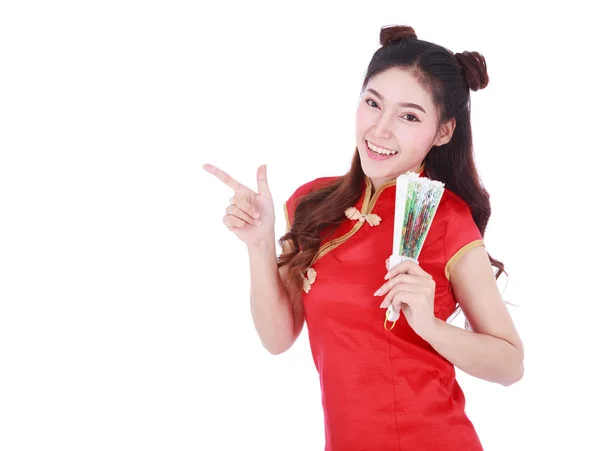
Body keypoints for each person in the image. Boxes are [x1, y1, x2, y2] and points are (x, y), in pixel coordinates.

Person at [204, 24, 524, 451]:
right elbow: (278, 338)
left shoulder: (447, 220)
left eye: (409, 116)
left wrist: (428, 326)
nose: (381, 129)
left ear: (443, 132)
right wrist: (260, 245)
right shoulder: (311, 204)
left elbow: (510, 364)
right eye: (373, 103)